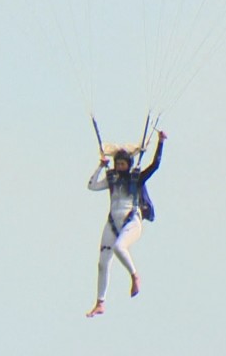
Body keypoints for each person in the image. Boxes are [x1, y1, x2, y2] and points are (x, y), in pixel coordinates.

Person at [85, 129, 167, 318]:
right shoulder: (111, 179)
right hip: (112, 222)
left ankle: (134, 276)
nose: (120, 167)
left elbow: (155, 165)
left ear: (128, 164)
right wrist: (100, 166)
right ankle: (100, 303)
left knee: (120, 248)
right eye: (118, 164)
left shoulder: (136, 178)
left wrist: (160, 142)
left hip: (132, 220)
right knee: (102, 263)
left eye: (123, 164)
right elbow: (91, 186)